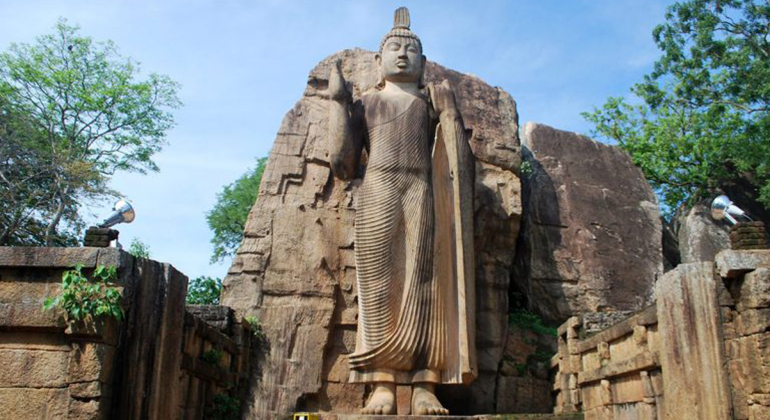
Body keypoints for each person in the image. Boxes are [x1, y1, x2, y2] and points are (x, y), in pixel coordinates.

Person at [328, 7, 476, 415]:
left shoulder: (430, 103)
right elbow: (343, 165)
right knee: (378, 283)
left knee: (425, 281)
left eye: (410, 50)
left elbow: (459, 163)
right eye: (393, 47)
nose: (402, 55)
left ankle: (426, 383)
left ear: (423, 62)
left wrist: (449, 113)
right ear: (379, 60)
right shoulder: (368, 102)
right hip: (378, 188)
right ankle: (383, 383)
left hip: (421, 190)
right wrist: (339, 103)